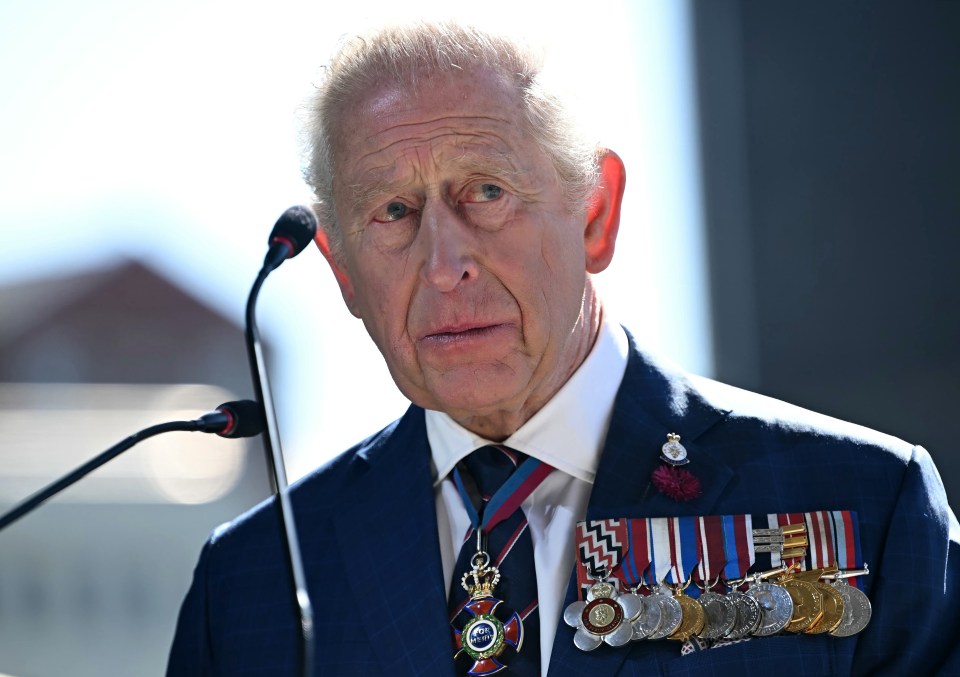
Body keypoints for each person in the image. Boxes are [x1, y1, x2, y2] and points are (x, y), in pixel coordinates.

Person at [167, 21, 959, 676]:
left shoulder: (868, 504)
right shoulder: (248, 586)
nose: (443, 265)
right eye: (394, 211)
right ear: (342, 270)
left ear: (595, 214)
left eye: (487, 192)